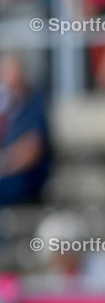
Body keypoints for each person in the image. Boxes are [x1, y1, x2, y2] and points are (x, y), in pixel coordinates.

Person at [0, 53, 51, 206]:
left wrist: (4, 162)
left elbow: (32, 149)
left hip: (24, 180)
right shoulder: (8, 106)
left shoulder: (34, 104)